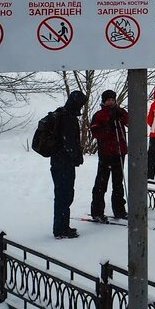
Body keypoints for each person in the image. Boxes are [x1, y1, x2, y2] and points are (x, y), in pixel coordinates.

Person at [50, 90, 87, 239]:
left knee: (62, 195)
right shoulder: (69, 119)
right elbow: (69, 142)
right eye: (81, 104)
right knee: (64, 195)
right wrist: (76, 157)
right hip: (64, 163)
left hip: (58, 161)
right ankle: (61, 229)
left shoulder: (61, 114)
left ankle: (61, 226)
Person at [90, 89, 128, 222]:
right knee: (101, 183)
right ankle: (97, 211)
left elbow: (129, 122)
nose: (111, 102)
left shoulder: (119, 111)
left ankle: (119, 210)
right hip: (106, 153)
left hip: (119, 151)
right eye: (108, 100)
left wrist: (121, 115)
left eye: (113, 100)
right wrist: (108, 127)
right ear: (104, 101)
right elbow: (95, 132)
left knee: (118, 183)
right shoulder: (99, 115)